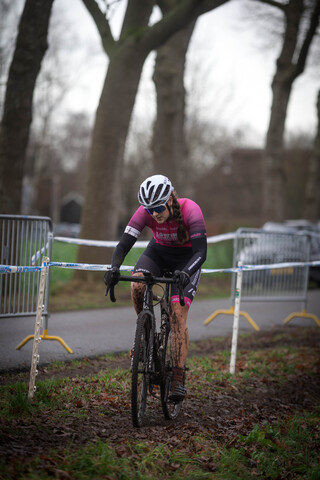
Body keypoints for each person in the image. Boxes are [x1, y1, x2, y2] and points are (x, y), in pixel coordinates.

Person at [104, 174, 207, 401]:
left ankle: (178, 379)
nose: (155, 214)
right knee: (137, 285)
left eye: (158, 207)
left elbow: (201, 252)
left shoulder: (191, 210)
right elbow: (124, 244)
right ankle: (146, 336)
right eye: (150, 210)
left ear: (170, 198)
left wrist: (186, 273)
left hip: (187, 260)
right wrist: (113, 268)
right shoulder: (145, 212)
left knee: (177, 315)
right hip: (158, 253)